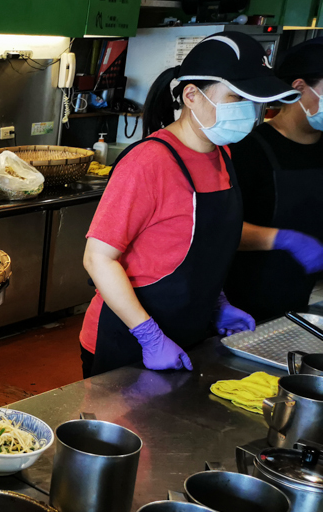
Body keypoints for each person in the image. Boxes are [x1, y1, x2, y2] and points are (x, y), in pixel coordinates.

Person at [79, 32, 299, 378]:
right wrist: (149, 337)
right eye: (237, 97)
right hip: (127, 339)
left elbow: (199, 243)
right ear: (192, 95)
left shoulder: (222, 155)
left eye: (254, 101)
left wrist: (218, 303)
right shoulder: (149, 162)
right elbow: (97, 258)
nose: (251, 111)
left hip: (190, 332)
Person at [225, 41, 323, 321]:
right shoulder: (247, 150)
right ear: (300, 87)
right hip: (242, 304)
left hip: (303, 298)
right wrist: (286, 240)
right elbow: (219, 228)